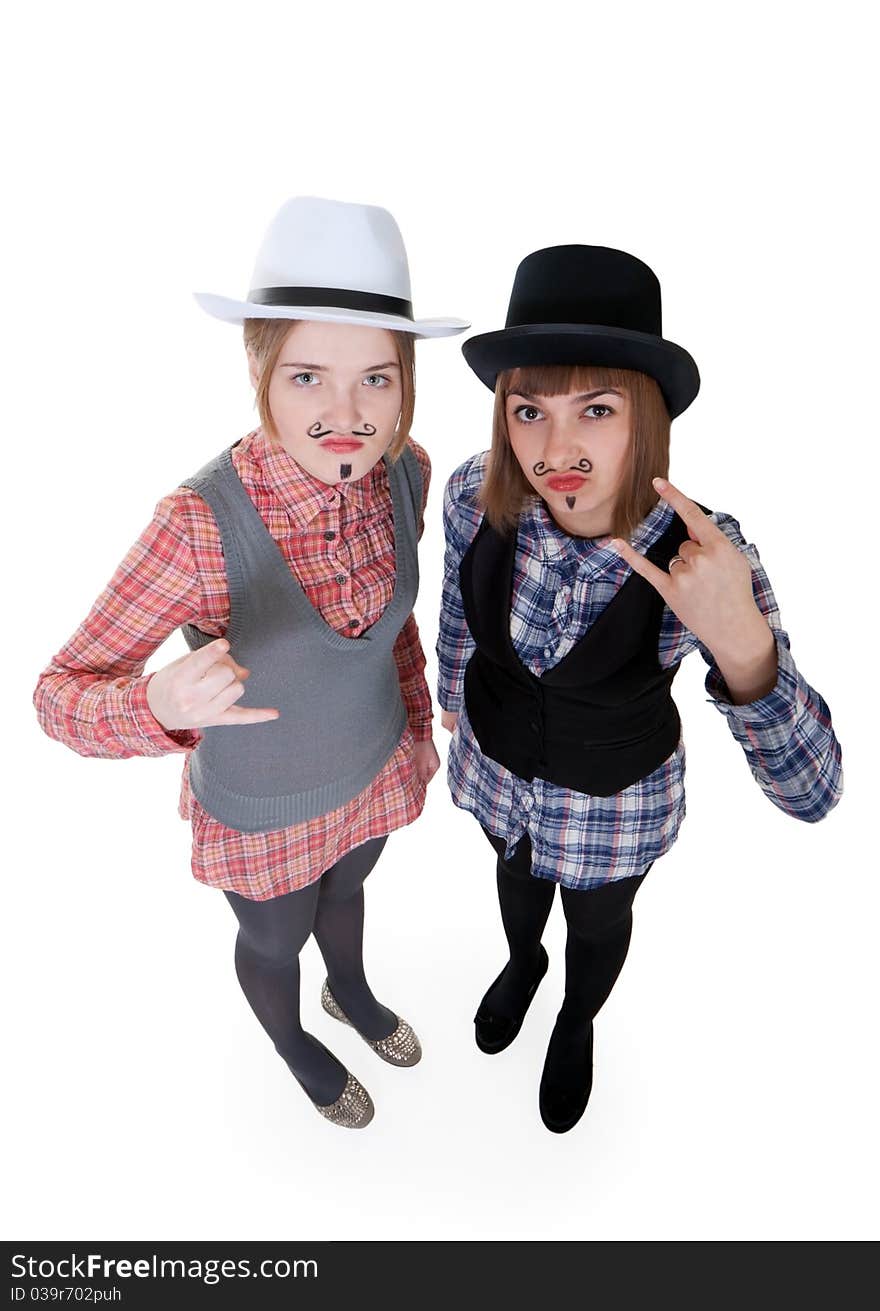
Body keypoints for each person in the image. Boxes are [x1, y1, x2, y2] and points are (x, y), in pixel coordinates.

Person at [34, 196, 468, 1129]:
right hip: (264, 802)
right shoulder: (197, 527)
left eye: (376, 380)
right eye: (309, 376)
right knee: (274, 938)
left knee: (350, 890)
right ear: (261, 369)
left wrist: (420, 710)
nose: (346, 415)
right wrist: (155, 701)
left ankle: (347, 992)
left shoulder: (409, 470)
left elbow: (392, 625)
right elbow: (57, 694)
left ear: (406, 384)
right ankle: (294, 1040)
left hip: (372, 762)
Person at [437, 244, 842, 1133]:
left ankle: (577, 1015)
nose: (559, 447)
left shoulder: (702, 555)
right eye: (529, 410)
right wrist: (450, 704)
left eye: (597, 408)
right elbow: (459, 620)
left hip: (612, 802)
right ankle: (520, 963)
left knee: (596, 921)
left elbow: (815, 794)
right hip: (498, 767)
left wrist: (741, 639)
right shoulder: (474, 493)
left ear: (646, 417)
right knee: (512, 877)